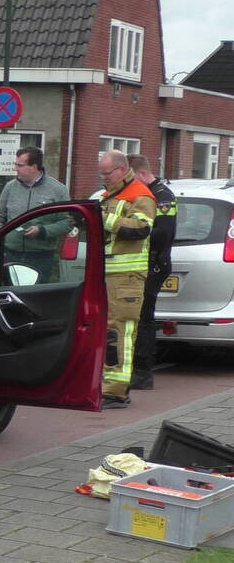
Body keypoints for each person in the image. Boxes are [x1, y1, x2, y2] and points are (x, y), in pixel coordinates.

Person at [97, 150, 155, 409]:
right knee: (109, 332)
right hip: (109, 275)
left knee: (120, 333)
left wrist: (106, 220)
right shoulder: (108, 194)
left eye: (107, 173)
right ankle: (108, 388)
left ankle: (117, 392)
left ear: (121, 169)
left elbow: (142, 229)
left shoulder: (140, 195)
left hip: (127, 278)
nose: (103, 178)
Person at [127, 154, 177, 391]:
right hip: (136, 265)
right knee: (132, 318)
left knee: (144, 318)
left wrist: (130, 230)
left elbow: (162, 234)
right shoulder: (138, 193)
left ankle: (143, 371)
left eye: (131, 178)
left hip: (154, 265)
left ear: (141, 174)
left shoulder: (163, 196)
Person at [0, 147, 72, 282]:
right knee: (9, 295)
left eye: (20, 165)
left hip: (40, 257)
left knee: (34, 298)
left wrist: (43, 231)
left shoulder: (58, 190)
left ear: (34, 167)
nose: (15, 169)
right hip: (10, 254)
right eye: (15, 164)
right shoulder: (10, 187)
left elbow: (67, 222)